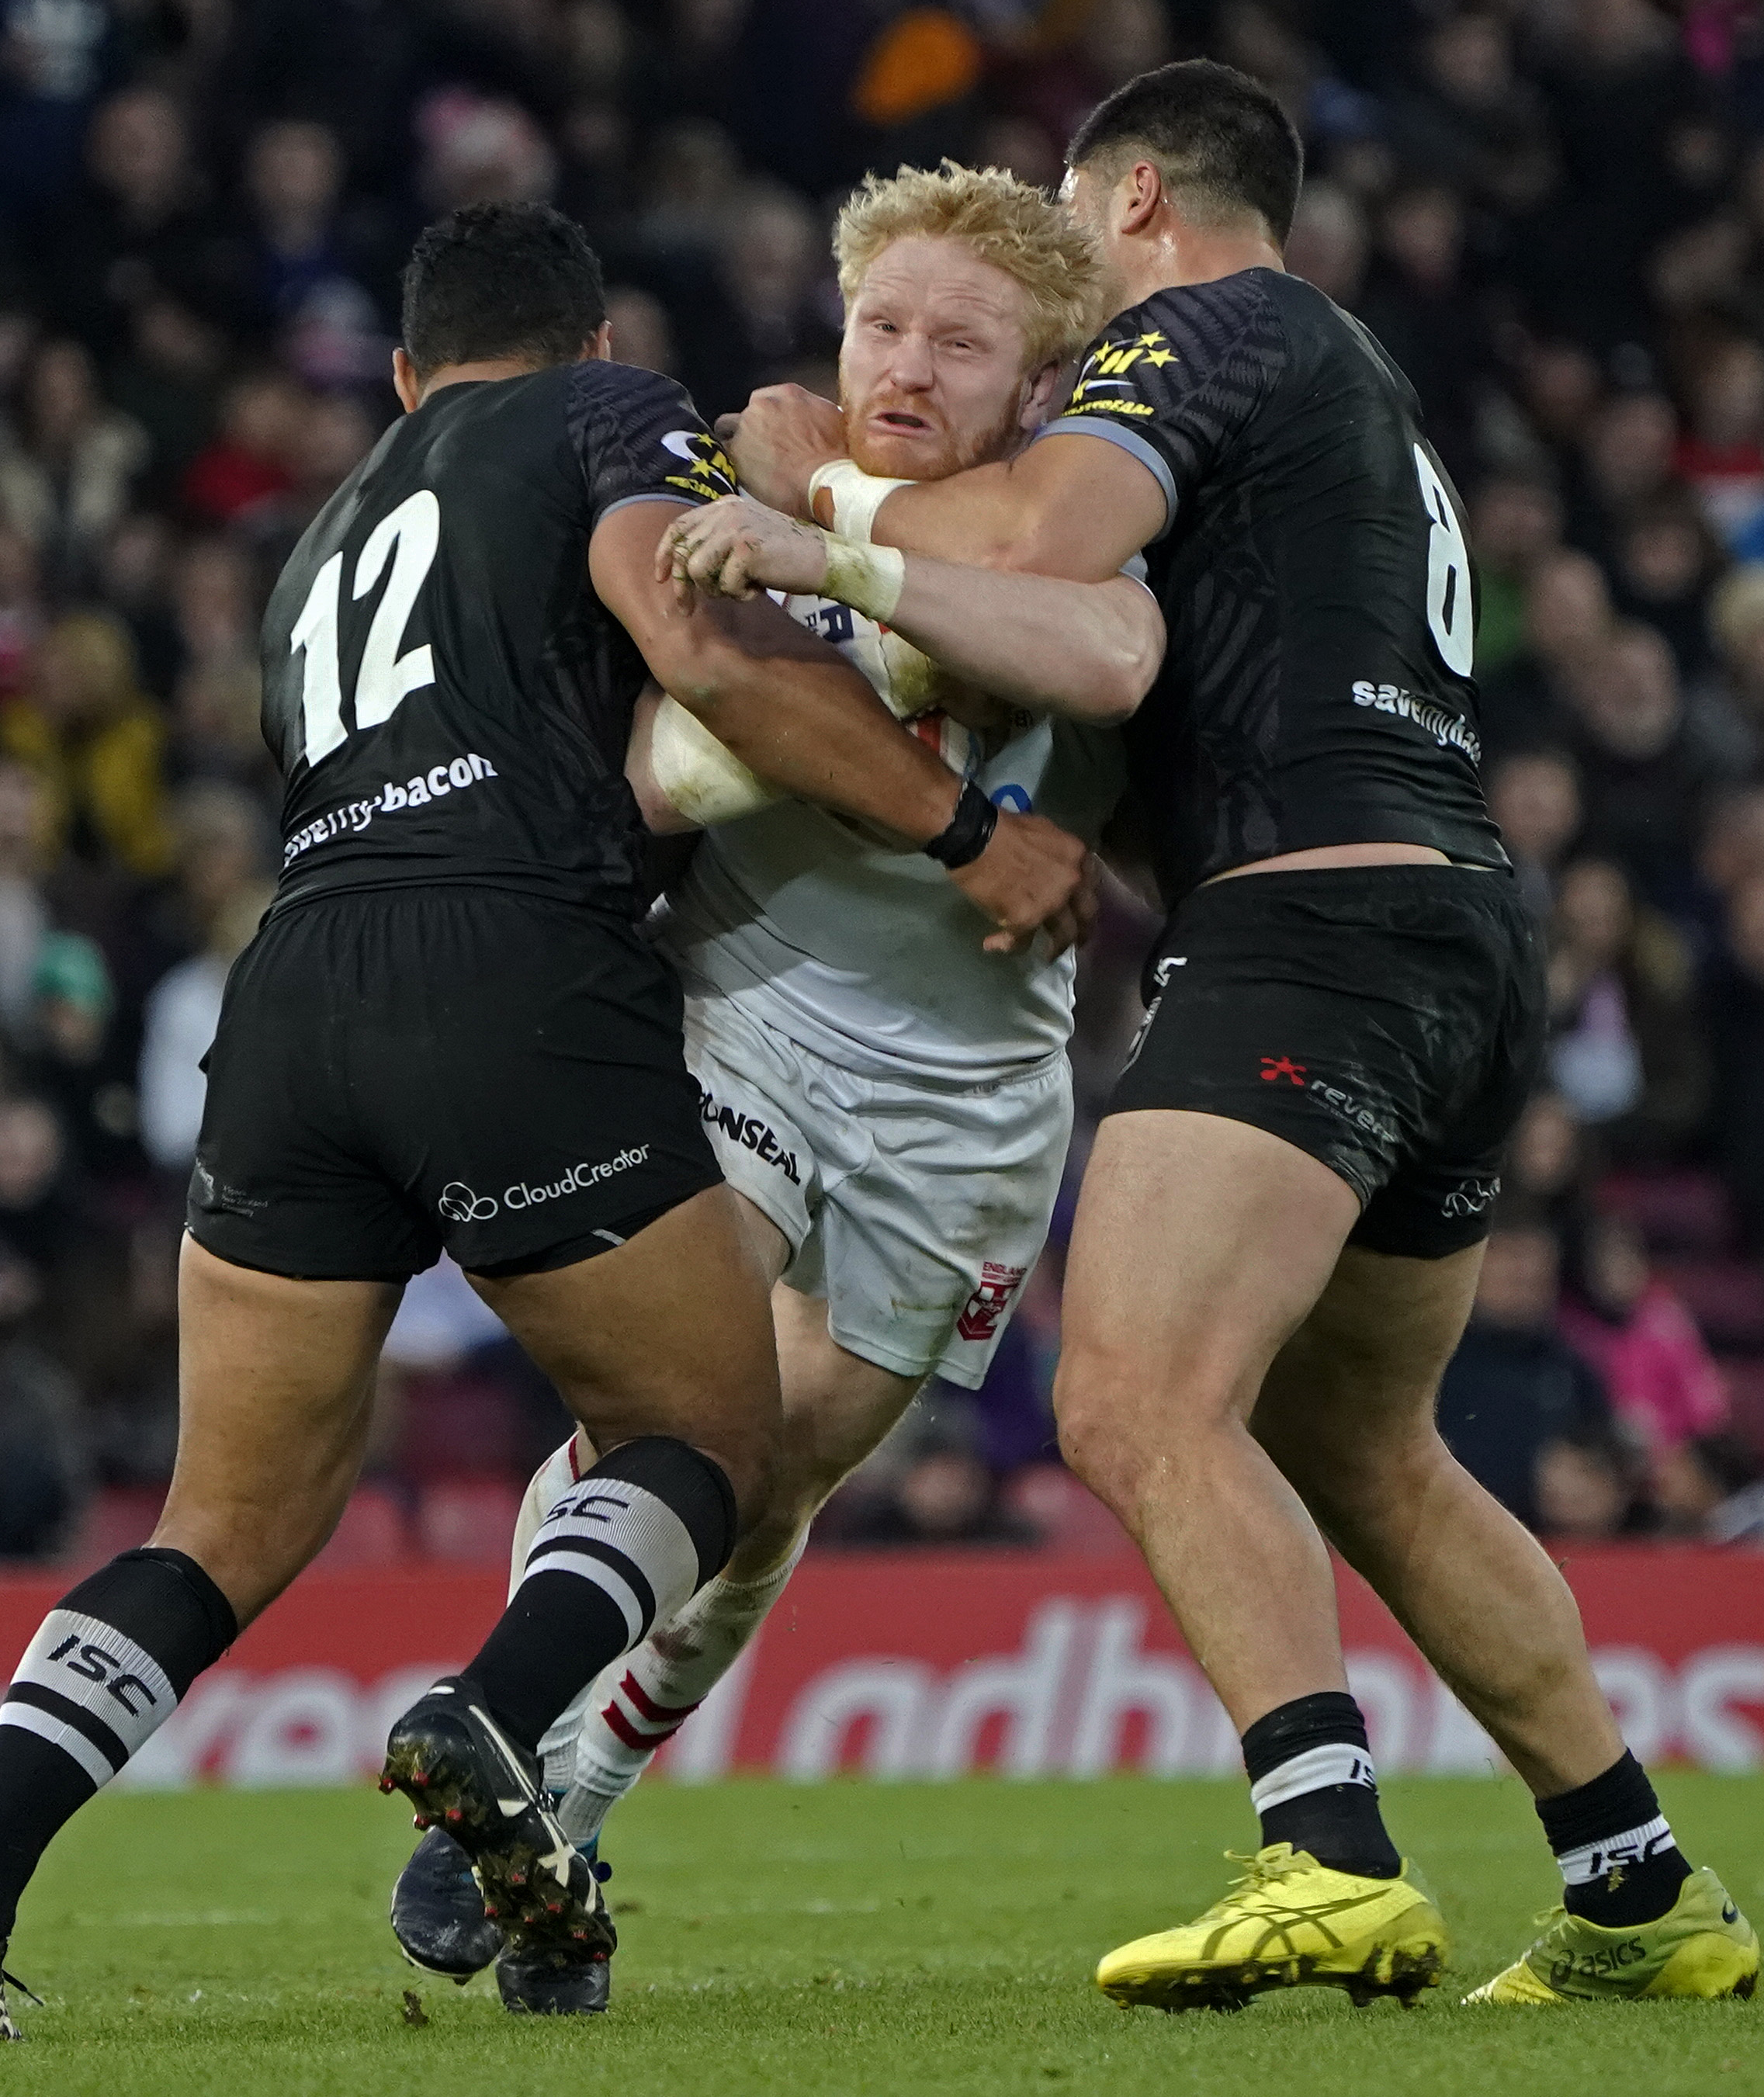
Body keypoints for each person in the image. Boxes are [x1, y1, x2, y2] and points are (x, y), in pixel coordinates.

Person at [663, 60, 1759, 2009]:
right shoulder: (1356, 391)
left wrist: (815, 486)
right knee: (1370, 1450)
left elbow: (1048, 535)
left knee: (1132, 1399)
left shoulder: (1215, 324)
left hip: (1314, 932)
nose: (1063, 299)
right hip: (1450, 932)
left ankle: (1326, 1856)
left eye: (1072, 230)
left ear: (1140, 199)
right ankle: (1637, 1888)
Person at [0, 199, 1090, 2037]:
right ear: (592, 347)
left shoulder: (317, 541)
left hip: (291, 991)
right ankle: (496, 1717)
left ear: (404, 376)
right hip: (507, 969)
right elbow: (713, 656)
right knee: (702, 1438)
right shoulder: (603, 416)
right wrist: (969, 828)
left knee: (216, 1529)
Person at [386, 160, 1138, 1995]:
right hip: (746, 1002)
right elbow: (654, 761)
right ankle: (509, 1768)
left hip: (972, 1106)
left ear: (1042, 381)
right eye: (883, 323)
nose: (908, 365)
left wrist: (829, 519)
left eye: (963, 343)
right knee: (677, 1415)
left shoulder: (1082, 525)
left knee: (781, 1482)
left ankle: (580, 1803)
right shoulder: (714, 482)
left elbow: (1072, 672)